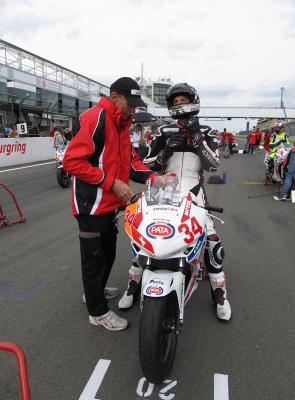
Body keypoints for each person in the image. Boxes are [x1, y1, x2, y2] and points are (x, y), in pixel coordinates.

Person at [63, 77, 171, 331]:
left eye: (136, 104)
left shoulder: (123, 124)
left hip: (111, 205)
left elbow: (131, 162)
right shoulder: (95, 118)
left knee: (108, 254)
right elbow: (72, 162)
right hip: (90, 205)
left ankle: (95, 292)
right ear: (114, 97)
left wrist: (156, 178)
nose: (133, 109)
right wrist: (111, 183)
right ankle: (97, 311)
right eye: (130, 103)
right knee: (93, 259)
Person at [118, 83, 232, 322]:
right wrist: (164, 154)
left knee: (211, 238)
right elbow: (146, 164)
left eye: (183, 101)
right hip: (164, 189)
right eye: (175, 102)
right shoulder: (164, 131)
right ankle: (134, 282)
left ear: (193, 101)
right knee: (145, 232)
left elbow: (213, 165)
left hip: (193, 190)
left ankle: (219, 292)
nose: (179, 105)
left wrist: (197, 138)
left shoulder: (208, 130)